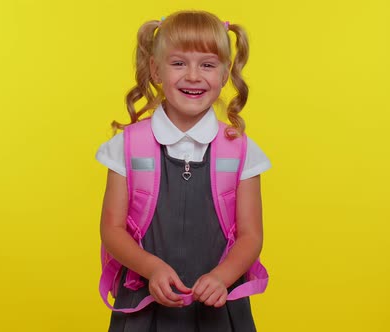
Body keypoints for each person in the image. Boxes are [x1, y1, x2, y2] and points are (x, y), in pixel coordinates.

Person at [96, 10, 271, 332]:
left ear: (225, 73)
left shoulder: (242, 150)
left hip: (219, 307)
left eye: (207, 64)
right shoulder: (126, 147)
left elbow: (251, 235)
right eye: (178, 63)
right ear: (155, 70)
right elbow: (112, 230)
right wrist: (151, 268)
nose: (193, 76)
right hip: (143, 307)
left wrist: (222, 277)